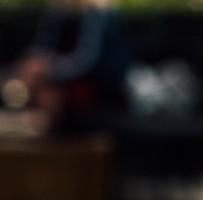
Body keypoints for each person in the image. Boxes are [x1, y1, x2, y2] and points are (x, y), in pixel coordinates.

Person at [15, 0, 133, 131]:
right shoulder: (58, 13)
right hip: (66, 80)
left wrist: (49, 69)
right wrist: (31, 66)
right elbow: (43, 47)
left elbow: (87, 61)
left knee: (48, 95)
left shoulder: (98, 14)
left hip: (98, 87)